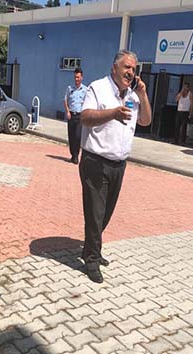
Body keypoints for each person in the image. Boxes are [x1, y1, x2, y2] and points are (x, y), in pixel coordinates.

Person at [79, 49, 152, 283]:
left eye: (133, 68)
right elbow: (86, 117)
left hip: (119, 164)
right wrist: (112, 113)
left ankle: (92, 249)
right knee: (95, 213)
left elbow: (146, 120)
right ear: (114, 68)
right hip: (95, 162)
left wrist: (143, 94)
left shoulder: (133, 94)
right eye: (126, 67)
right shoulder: (97, 88)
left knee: (106, 213)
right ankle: (91, 259)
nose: (130, 72)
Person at [64, 67, 87, 164]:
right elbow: (65, 100)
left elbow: (87, 102)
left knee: (78, 136)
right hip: (71, 115)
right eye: (75, 77)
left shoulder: (85, 90)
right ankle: (73, 154)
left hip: (79, 116)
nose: (76, 79)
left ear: (82, 77)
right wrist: (67, 111)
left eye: (78, 77)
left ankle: (76, 156)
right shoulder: (70, 89)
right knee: (71, 136)